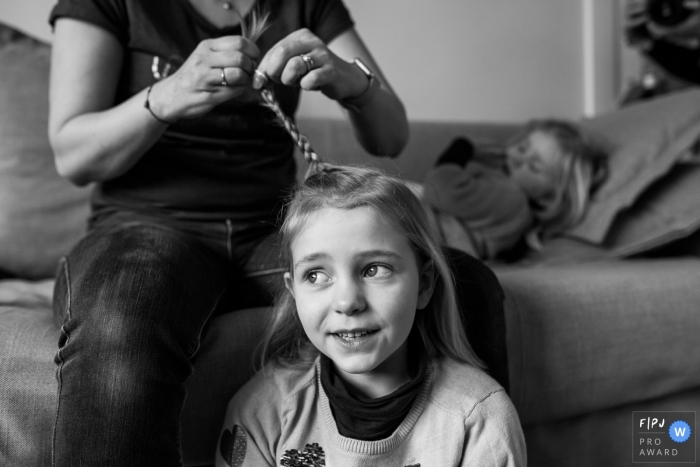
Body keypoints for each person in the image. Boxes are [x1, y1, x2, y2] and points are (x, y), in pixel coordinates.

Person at [47, 0, 409, 465]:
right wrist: (167, 96)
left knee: (454, 282)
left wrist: (351, 82)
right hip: (145, 228)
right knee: (123, 318)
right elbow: (73, 157)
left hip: (273, 229)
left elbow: (391, 139)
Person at [216, 166, 526, 467]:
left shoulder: (480, 417)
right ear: (294, 291)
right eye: (315, 275)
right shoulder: (262, 411)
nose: (348, 302)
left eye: (375, 269)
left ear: (425, 285)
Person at [423, 120, 607, 260]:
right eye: (522, 147)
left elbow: (440, 190)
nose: (520, 159)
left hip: (426, 235)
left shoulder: (513, 198)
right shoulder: (504, 188)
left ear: (548, 199)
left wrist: (461, 150)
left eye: (535, 167)